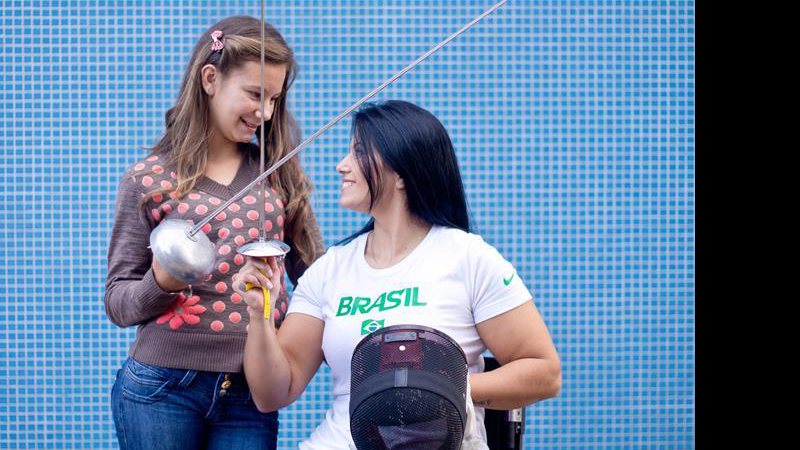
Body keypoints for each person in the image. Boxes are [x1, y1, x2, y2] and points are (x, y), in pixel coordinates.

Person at [235, 100, 561, 449]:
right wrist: (260, 312)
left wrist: (440, 389)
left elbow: (545, 373)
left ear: (402, 172)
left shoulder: (469, 258)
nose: (341, 166)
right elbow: (273, 393)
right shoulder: (330, 269)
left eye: (358, 153)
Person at [104, 16, 324, 450]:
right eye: (255, 94)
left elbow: (319, 278)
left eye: (275, 99)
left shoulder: (279, 176)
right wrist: (160, 283)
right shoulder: (147, 180)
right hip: (161, 388)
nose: (265, 112)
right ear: (210, 79)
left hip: (249, 392)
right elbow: (117, 301)